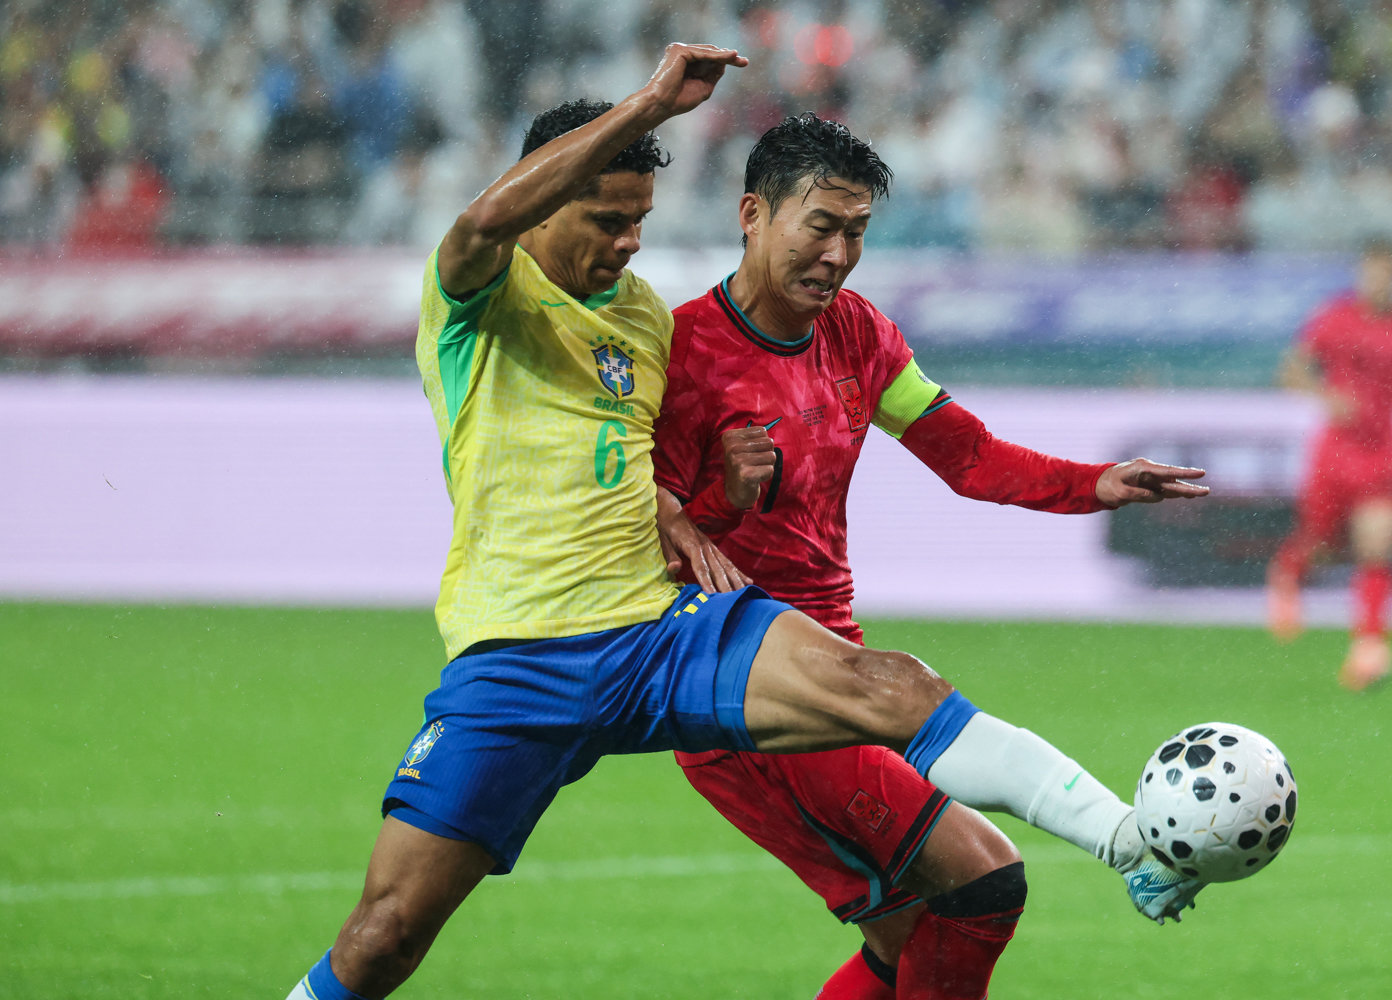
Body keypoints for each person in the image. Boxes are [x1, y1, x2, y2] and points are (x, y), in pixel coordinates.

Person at [285, 45, 1198, 1000]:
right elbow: (484, 225)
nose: (631, 242)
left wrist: (1095, 483)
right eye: (609, 219)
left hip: (663, 633)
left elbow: (643, 476)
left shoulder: (646, 322)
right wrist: (648, 106)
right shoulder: (482, 298)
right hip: (521, 651)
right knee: (385, 936)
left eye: (640, 220)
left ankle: (1124, 836)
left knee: (914, 748)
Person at [652, 112, 1213, 1000]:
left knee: (906, 932)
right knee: (984, 878)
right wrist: (722, 495)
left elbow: (971, 458)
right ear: (753, 214)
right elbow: (644, 534)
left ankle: (1125, 844)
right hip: (744, 694)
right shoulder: (678, 352)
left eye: (857, 233)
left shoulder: (861, 336)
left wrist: (1094, 482)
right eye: (820, 227)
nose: (837, 255)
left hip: (836, 668)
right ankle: (1127, 841)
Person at [1267, 235, 1392, 690]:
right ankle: (1288, 570)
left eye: (1389, 272)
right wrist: (1327, 396)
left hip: (1383, 451)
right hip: (1336, 452)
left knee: (1377, 547)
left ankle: (1369, 649)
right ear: (1362, 273)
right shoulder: (1334, 318)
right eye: (1373, 271)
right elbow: (1291, 371)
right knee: (1323, 545)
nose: (1380, 281)